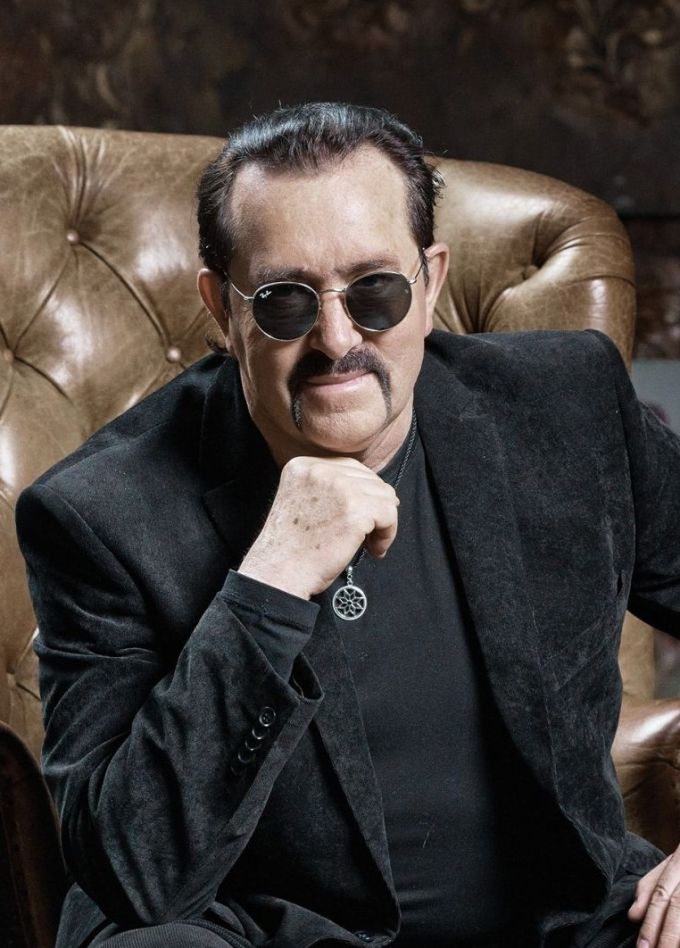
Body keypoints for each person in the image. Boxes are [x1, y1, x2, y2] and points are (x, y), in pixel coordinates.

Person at [14, 102, 680, 948]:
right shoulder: (100, 513)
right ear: (221, 310)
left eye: (375, 291)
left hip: (566, 928)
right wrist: (267, 587)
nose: (336, 340)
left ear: (430, 284)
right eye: (285, 302)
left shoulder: (565, 406)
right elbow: (134, 872)